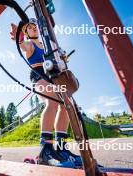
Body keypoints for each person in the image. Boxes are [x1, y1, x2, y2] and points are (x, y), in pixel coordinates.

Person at [10, 18, 82, 167]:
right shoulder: (30, 44)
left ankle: (61, 149)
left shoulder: (47, 46)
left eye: (35, 26)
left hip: (52, 77)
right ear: (26, 32)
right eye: (30, 27)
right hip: (38, 76)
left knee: (65, 105)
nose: (34, 28)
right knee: (52, 102)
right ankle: (45, 150)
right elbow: (23, 46)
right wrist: (19, 37)